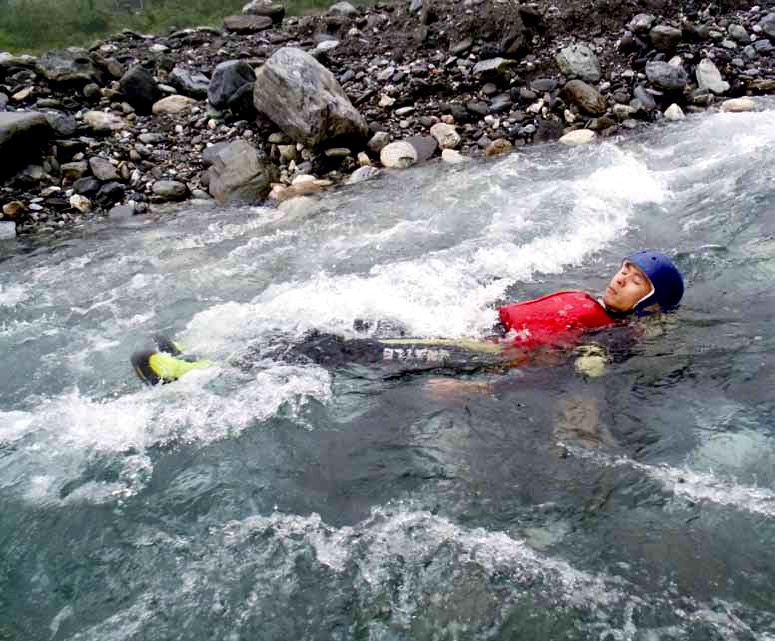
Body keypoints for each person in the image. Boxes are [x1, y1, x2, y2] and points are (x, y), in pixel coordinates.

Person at [131, 250, 684, 386]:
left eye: (636, 279)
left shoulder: (612, 335)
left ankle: (193, 374)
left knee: (334, 350)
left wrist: (483, 387)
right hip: (468, 327)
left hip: (473, 350)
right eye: (624, 268)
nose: (620, 277)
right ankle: (210, 361)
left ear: (650, 301)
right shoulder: (595, 306)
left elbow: (560, 368)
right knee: (339, 330)